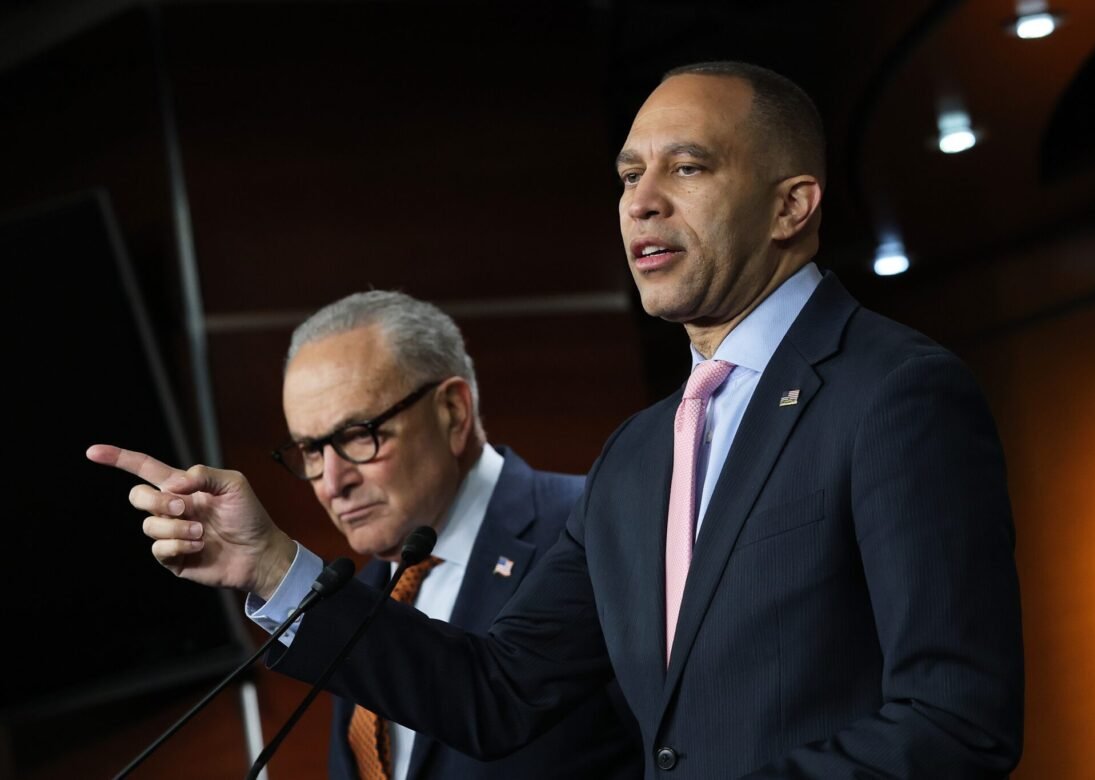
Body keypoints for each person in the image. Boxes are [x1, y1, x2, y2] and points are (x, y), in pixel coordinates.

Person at [91, 61, 1024, 778]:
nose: (642, 201)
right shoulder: (637, 455)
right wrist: (270, 566)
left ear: (793, 204)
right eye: (627, 175)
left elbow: (955, 719)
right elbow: (498, 691)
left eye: (687, 166)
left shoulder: (896, 393)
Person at [107, 290, 642, 780]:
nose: (332, 482)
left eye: (358, 435)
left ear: (453, 412)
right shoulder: (361, 596)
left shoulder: (598, 525)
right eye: (312, 451)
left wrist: (275, 565)